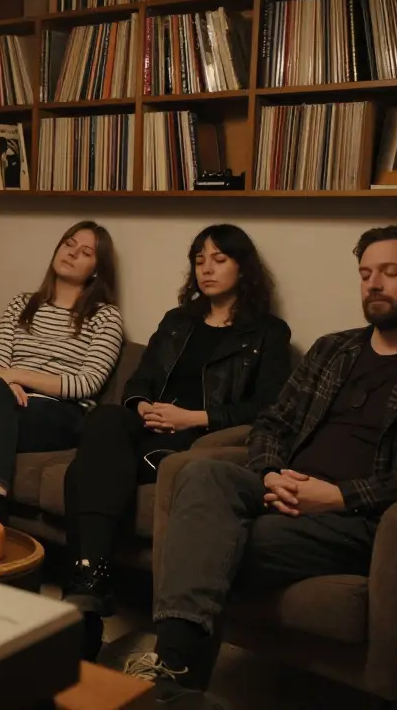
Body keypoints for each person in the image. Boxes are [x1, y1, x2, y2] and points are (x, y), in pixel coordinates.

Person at [127, 226, 397, 706]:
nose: (373, 284)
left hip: (357, 519)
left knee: (209, 537)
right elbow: (272, 423)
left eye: (390, 272)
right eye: (365, 273)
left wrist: (340, 496)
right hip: (280, 488)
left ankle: (172, 674)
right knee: (200, 473)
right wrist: (270, 472)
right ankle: (176, 682)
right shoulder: (333, 350)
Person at [61, 225, 292, 661]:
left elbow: (269, 407)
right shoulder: (177, 322)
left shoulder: (268, 333)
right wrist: (144, 406)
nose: (207, 268)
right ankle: (91, 585)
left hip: (197, 441)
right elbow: (139, 381)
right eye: (199, 260)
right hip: (147, 428)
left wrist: (194, 417)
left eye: (219, 259)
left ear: (243, 268)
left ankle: (84, 609)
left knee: (82, 474)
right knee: (106, 417)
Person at [0, 221, 125, 523]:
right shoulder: (22, 304)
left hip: (61, 413)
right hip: (7, 402)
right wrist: (3, 384)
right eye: (69, 243)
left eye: (85, 252)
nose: (72, 252)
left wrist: (15, 377)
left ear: (96, 270)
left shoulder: (105, 316)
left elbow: (87, 383)